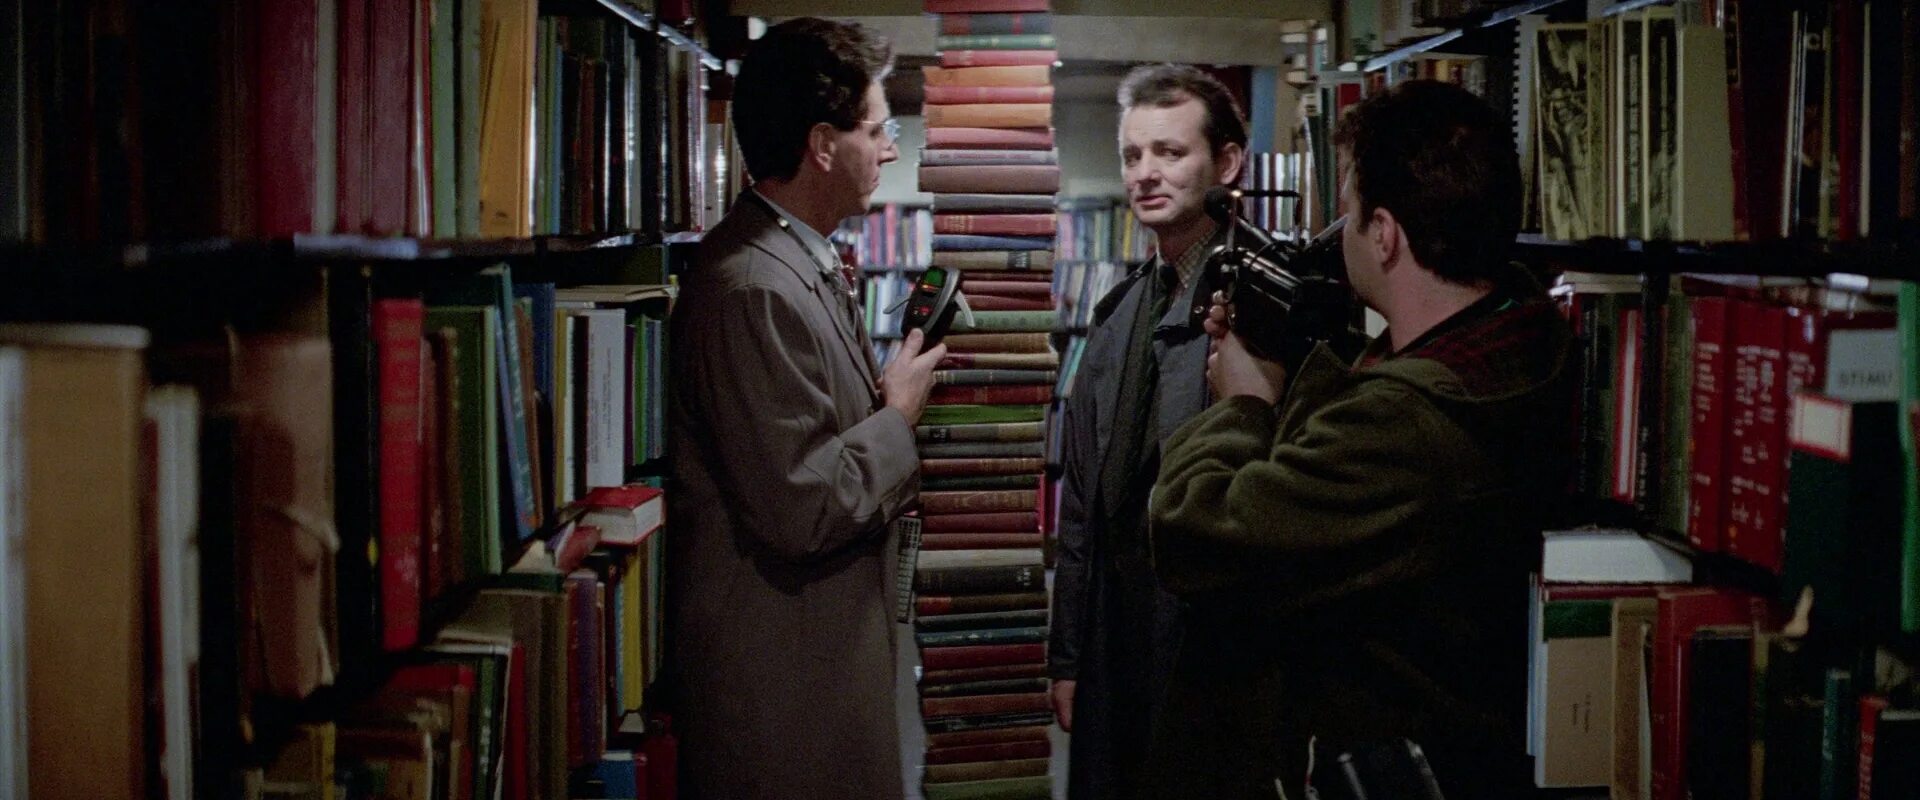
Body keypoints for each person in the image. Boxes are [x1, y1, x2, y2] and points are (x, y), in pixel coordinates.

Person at [1143, 79, 1575, 800]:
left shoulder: (1405, 425)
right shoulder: (1513, 344)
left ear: (1384, 233)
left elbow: (1194, 531)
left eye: (1347, 212)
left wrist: (1244, 402)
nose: (1338, 233)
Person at [664, 18, 945, 800]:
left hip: (815, 668)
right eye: (877, 131)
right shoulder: (753, 288)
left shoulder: (791, 261)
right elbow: (802, 505)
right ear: (823, 144)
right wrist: (897, 417)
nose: (889, 151)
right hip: (786, 696)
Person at [1047, 63, 1245, 800]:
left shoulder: (1260, 306)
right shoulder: (1120, 313)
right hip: (1117, 636)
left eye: (1170, 151)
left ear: (1226, 163)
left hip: (1210, 643)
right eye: (1133, 155)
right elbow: (1082, 509)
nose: (1145, 173)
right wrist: (1069, 657)